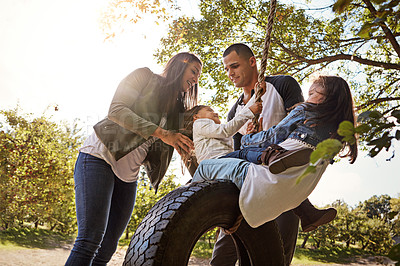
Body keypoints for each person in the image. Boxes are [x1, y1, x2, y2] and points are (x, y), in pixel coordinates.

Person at [192, 75, 358, 261]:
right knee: (252, 157)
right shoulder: (337, 136)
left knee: (207, 166)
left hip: (262, 181)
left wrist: (249, 138)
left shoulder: (304, 110)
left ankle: (186, 208)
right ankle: (304, 207)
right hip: (292, 194)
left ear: (327, 96)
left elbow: (273, 136)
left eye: (312, 92)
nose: (307, 97)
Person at [65, 52, 202, 265]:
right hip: (99, 158)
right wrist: (164, 134)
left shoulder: (177, 110)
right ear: (179, 65)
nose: (196, 80)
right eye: (194, 71)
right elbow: (117, 110)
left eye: (198, 76)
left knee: (108, 247)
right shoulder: (144, 76)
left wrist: (207, 184)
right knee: (90, 240)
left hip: (127, 177)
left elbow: (186, 148)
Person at [209, 43, 327, 266]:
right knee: (222, 256)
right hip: (249, 186)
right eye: (226, 69)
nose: (230, 73)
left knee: (276, 257)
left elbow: (301, 125)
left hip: (284, 182)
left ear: (253, 62)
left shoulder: (282, 85)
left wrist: (264, 136)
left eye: (234, 66)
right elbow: (236, 154)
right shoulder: (235, 113)